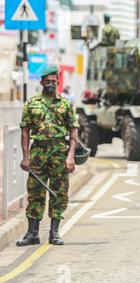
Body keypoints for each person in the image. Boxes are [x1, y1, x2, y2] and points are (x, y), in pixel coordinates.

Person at [17, 66, 80, 247]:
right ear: (41, 82)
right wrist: (26, 156)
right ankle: (33, 233)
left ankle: (54, 232)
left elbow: (73, 133)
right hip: (38, 153)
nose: (51, 84)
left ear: (58, 82)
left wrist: (70, 157)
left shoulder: (66, 104)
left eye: (54, 81)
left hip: (60, 152)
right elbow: (25, 131)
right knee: (35, 192)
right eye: (48, 81)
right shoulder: (31, 103)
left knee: (58, 192)